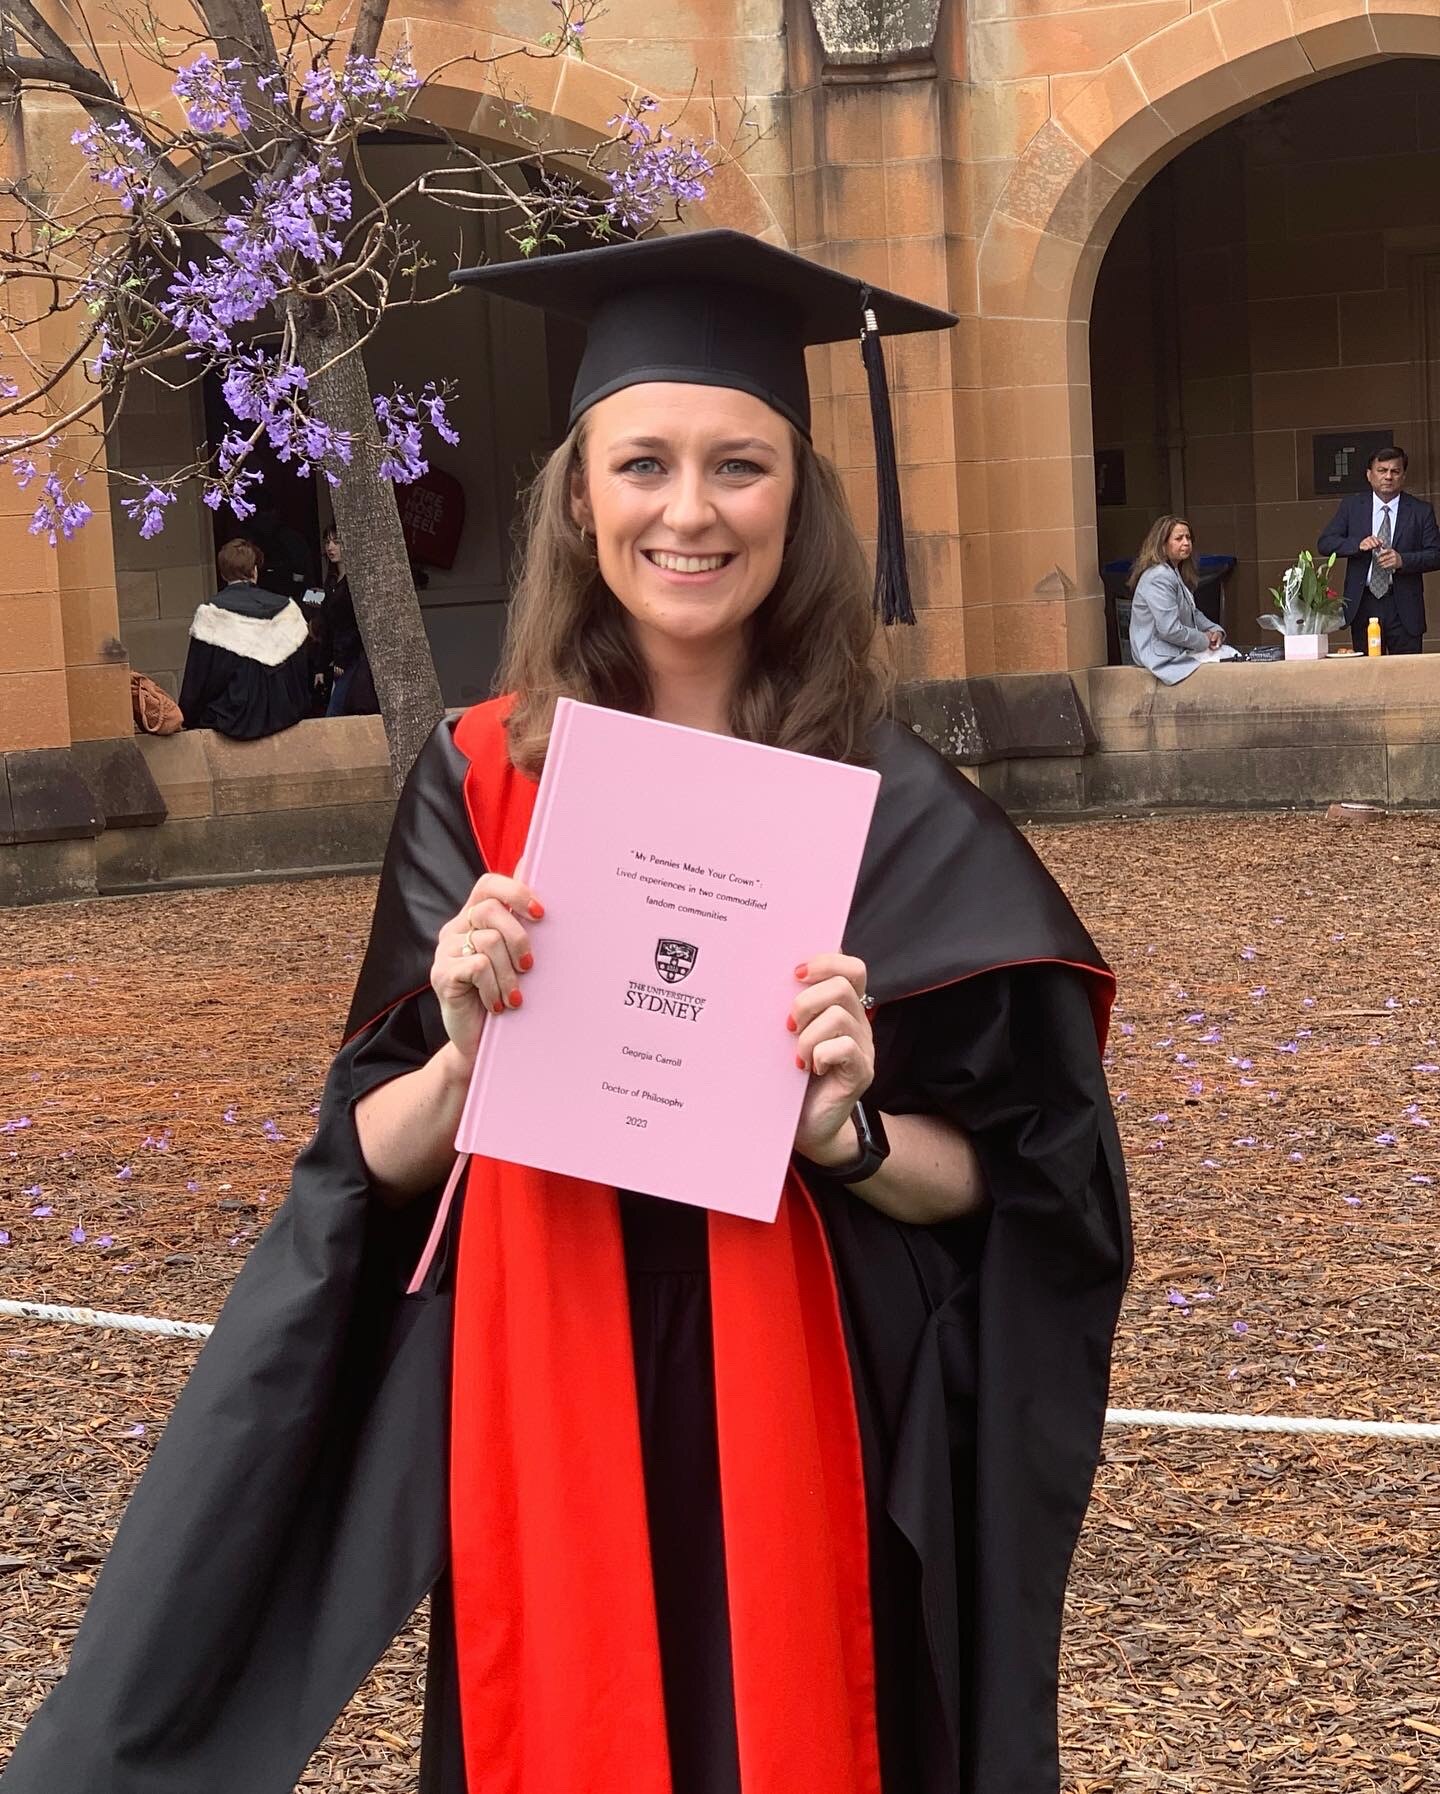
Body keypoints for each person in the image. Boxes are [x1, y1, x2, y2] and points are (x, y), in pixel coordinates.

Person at [1, 231, 1131, 1794]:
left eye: (738, 465)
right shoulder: (475, 784)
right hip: (545, 1391)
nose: (689, 509)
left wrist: (849, 1130)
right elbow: (365, 1158)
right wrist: (468, 1060)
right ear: (579, 495)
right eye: (643, 463)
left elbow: (1024, 1186)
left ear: (796, 498)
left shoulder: (893, 809)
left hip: (803, 1409)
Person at [177, 535, 313, 738]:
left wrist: (186, 717)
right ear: (254, 571)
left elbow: (197, 680)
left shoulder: (212, 614)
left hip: (234, 716)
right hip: (285, 711)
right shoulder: (286, 608)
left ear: (223, 574)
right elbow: (303, 668)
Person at [1317, 445, 1440, 654]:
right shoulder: (1352, 506)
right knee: (1367, 674)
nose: (1388, 477)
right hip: (1364, 603)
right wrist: (1357, 545)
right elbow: (1325, 543)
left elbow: (1436, 554)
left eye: (1395, 471)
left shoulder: (1420, 511)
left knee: (1407, 673)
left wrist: (1403, 561)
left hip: (1403, 607)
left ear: (1403, 476)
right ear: (1369, 475)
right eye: (1382, 471)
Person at [1126, 515, 1228, 683]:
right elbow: (1170, 629)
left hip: (1175, 650)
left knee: (1231, 656)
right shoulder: (1159, 576)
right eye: (1179, 538)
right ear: (1163, 545)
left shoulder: (1172, 572)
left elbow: (1193, 612)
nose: (1186, 543)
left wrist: (1215, 630)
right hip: (1161, 658)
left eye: (1188, 538)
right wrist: (1204, 640)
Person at [317, 524, 379, 716]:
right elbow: (329, 627)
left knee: (337, 713)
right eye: (327, 542)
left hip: (354, 658)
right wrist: (321, 665)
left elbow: (355, 625)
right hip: (339, 657)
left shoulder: (355, 583)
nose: (331, 547)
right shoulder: (331, 582)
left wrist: (341, 660)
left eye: (337, 542)